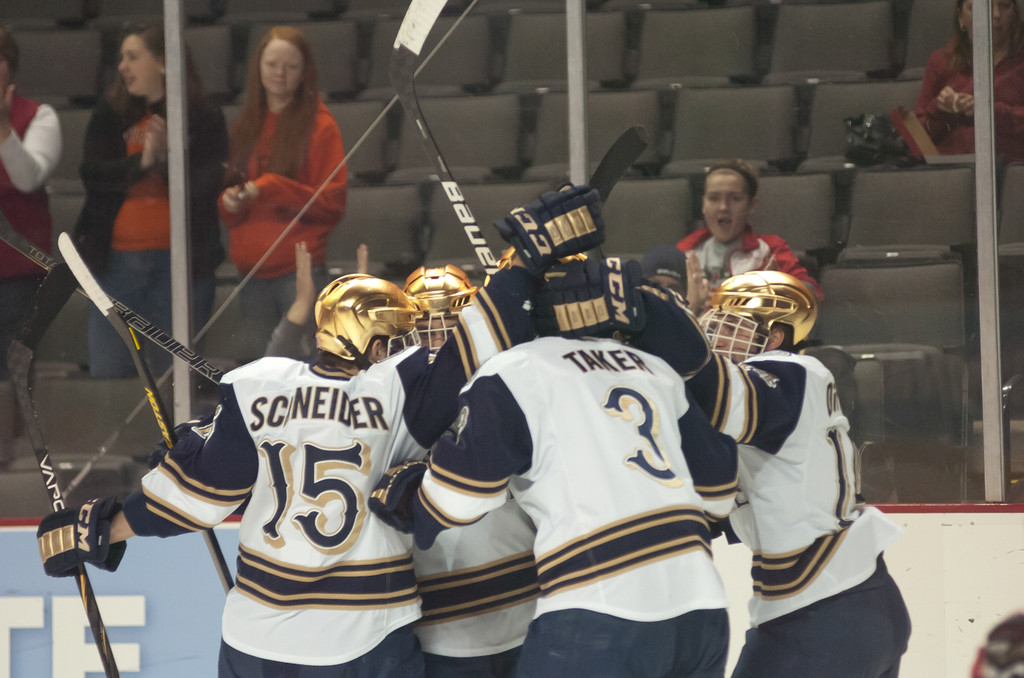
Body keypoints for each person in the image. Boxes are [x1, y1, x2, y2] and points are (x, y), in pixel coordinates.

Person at [36, 184, 605, 677]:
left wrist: (104, 526)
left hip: (258, 637)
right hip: (367, 636)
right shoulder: (396, 390)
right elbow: (471, 350)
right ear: (378, 343)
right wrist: (521, 267)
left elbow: (197, 498)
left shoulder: (256, 385)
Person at [377, 256, 740, 678]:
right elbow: (719, 495)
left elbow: (456, 502)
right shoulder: (654, 368)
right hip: (703, 609)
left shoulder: (513, 371)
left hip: (600, 608)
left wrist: (412, 498)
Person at [685, 271, 911, 678]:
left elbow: (711, 394)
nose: (715, 337)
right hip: (857, 601)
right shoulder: (774, 399)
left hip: (817, 616)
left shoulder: (784, 370)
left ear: (775, 337)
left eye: (730, 326)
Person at [402, 264, 538, 678]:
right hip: (439, 633)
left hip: (531, 616)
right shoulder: (386, 403)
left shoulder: (515, 386)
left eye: (451, 328)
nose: (439, 342)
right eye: (426, 329)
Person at [71, 22, 227, 378]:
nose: (123, 66)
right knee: (111, 375)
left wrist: (169, 158)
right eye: (121, 58)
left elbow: (205, 187)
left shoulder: (202, 116)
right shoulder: (109, 113)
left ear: (163, 62)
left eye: (133, 57)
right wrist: (141, 161)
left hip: (181, 268)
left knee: (176, 381)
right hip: (116, 267)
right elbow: (92, 175)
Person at [219, 25, 347, 355]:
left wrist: (272, 187)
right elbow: (230, 199)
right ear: (258, 68)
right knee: (260, 375)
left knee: (302, 370)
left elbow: (332, 202)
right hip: (251, 272)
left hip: (298, 273)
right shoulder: (245, 125)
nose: (280, 74)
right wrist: (230, 202)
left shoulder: (321, 126)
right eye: (272, 64)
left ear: (304, 72)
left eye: (290, 66)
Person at [0, 24, 62, 469]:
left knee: (15, 369)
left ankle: (18, 458)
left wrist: (4, 130)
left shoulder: (37, 116)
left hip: (19, 273)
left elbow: (26, 178)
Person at [675, 160, 822, 314]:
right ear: (703, 205)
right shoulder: (683, 252)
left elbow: (811, 296)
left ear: (751, 204)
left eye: (735, 199)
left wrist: (780, 290)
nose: (723, 207)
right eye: (713, 198)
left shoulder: (770, 249)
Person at [914, 0, 1024, 162]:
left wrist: (991, 112)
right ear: (960, 16)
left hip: (1011, 168)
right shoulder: (940, 60)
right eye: (979, 8)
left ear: (1016, 12)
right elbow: (917, 139)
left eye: (1005, 6)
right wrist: (940, 109)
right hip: (951, 168)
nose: (996, 15)